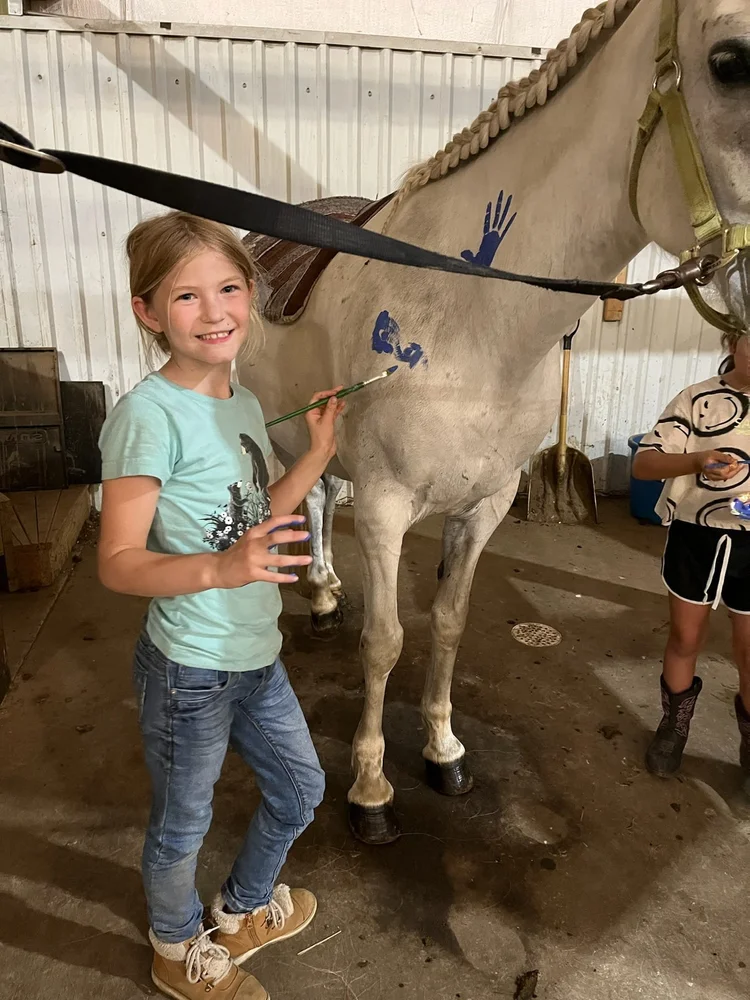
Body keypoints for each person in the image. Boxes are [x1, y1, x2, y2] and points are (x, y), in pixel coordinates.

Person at [97, 211, 345, 1000]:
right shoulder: (145, 418)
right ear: (147, 312)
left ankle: (238, 911)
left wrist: (317, 457)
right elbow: (118, 564)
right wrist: (221, 568)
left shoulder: (239, 400)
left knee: (302, 790)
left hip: (255, 655)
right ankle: (174, 951)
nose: (215, 313)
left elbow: (256, 515)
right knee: (182, 826)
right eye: (187, 297)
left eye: (230, 288)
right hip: (189, 669)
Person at [633, 331, 750, 786]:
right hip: (695, 536)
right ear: (731, 341)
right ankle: (673, 726)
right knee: (685, 637)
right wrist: (696, 459)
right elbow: (644, 464)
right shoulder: (697, 400)